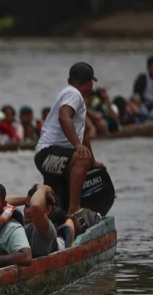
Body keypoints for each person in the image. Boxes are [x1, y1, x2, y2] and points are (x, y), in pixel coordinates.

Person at [34, 62, 105, 216]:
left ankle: (60, 222)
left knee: (57, 206)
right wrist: (77, 146)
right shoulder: (74, 94)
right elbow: (64, 117)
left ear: (69, 80)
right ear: (90, 83)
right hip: (48, 154)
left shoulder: (70, 94)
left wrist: (93, 162)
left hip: (54, 156)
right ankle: (75, 209)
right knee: (81, 158)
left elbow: (83, 134)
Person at [7, 184, 59, 258]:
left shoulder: (46, 229)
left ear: (47, 210)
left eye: (30, 206)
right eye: (26, 206)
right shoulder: (23, 223)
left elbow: (36, 207)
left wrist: (42, 188)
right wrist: (28, 198)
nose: (27, 211)